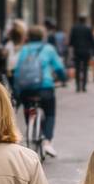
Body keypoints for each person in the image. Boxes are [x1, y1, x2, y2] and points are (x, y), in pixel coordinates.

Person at [12, 25, 68, 158]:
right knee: (49, 113)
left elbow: (18, 71)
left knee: (29, 109)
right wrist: (63, 79)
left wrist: (17, 89)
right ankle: (47, 142)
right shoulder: (48, 49)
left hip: (27, 88)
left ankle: (31, 127)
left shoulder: (24, 49)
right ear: (43, 36)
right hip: (45, 87)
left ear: (28, 37)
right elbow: (59, 68)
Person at [69, 15, 94, 93]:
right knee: (85, 69)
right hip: (86, 51)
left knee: (77, 68)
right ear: (85, 20)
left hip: (77, 51)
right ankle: (84, 87)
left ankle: (77, 87)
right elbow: (91, 40)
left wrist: (72, 45)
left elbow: (71, 40)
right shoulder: (88, 28)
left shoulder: (74, 28)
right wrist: (93, 48)